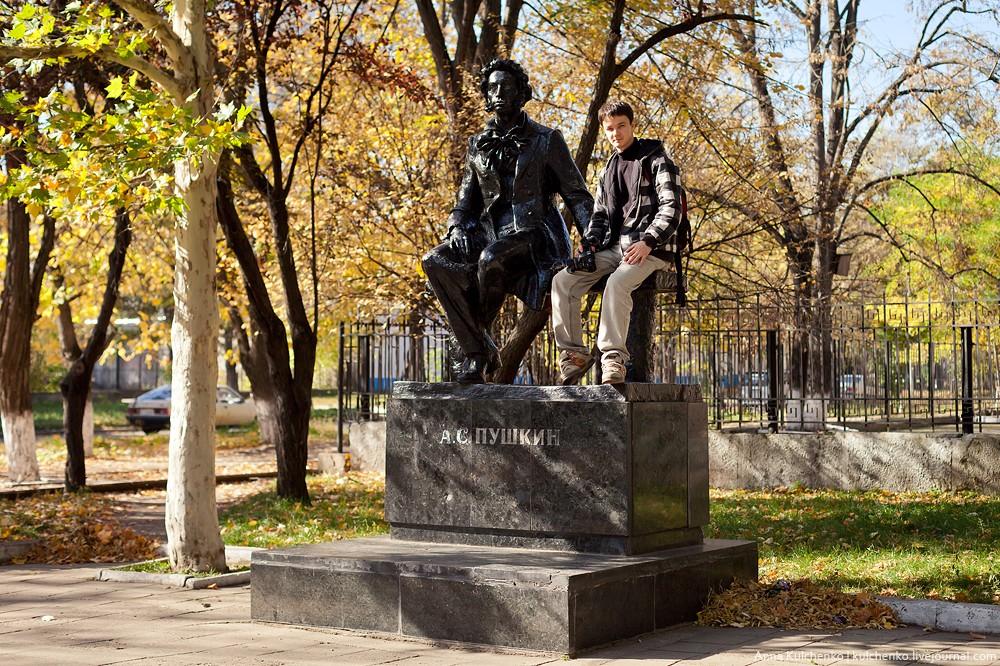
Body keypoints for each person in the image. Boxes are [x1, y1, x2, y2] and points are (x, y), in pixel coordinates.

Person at [422, 59, 594, 384]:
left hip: (535, 236)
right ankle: (482, 347)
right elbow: (465, 201)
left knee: (492, 259)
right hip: (489, 235)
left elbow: (577, 195)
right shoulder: (477, 144)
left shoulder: (547, 140)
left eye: (506, 87)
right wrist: (458, 226)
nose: (499, 93)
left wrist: (594, 238)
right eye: (492, 88)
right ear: (487, 96)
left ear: (521, 94)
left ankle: (473, 355)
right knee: (435, 260)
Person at [551, 100, 684, 385]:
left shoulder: (657, 160)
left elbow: (672, 209)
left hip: (652, 248)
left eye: (621, 126)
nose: (616, 133)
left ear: (632, 125)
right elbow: (599, 215)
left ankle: (612, 360)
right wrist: (588, 245)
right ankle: (574, 356)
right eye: (609, 129)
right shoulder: (608, 170)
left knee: (617, 282)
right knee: (563, 281)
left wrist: (648, 241)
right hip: (615, 247)